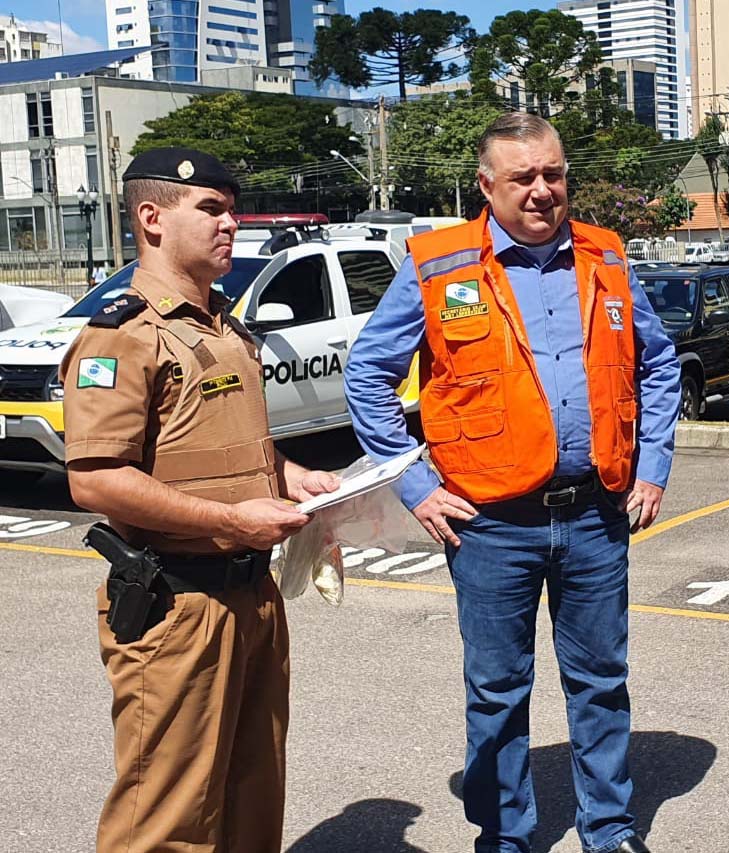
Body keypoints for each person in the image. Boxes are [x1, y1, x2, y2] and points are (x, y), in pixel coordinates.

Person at [344, 113, 680, 853]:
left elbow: (657, 365)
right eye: (522, 178)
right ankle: (506, 834)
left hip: (595, 514)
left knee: (600, 681)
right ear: (487, 185)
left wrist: (652, 465)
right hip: (489, 522)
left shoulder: (607, 257)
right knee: (497, 691)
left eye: (552, 174)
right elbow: (367, 374)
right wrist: (415, 485)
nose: (541, 191)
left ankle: (610, 828)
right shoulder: (438, 264)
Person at [61, 147, 338, 853]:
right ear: (152, 218)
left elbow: (228, 446)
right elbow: (94, 478)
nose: (231, 223)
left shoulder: (225, 325)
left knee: (251, 801)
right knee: (167, 819)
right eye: (211, 209)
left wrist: (288, 474)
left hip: (251, 598)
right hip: (175, 606)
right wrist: (230, 519)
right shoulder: (120, 331)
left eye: (231, 209)